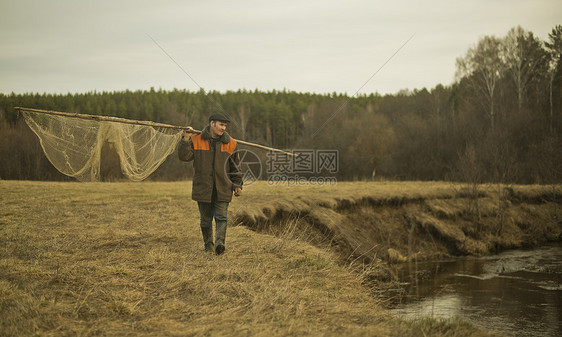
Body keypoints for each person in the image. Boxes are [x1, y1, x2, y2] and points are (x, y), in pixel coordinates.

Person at [178, 113, 243, 255]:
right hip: (203, 187)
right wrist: (186, 138)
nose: (223, 128)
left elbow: (235, 167)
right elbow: (184, 157)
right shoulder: (196, 139)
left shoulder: (231, 143)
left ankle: (220, 244)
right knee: (205, 220)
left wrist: (237, 185)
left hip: (223, 187)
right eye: (221, 125)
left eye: (225, 125)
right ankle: (208, 246)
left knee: (221, 217)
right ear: (212, 124)